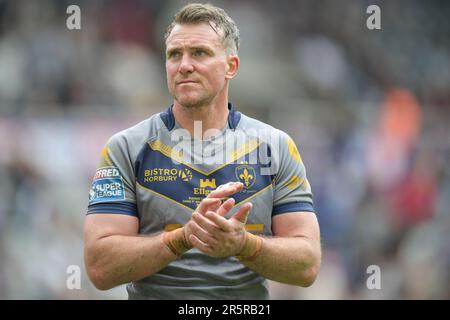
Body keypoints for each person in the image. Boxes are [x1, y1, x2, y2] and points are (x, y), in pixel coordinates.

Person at [84, 3, 321, 299]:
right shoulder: (125, 148)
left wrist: (244, 245)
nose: (184, 65)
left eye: (199, 53)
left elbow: (307, 265)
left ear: (231, 66)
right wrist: (181, 239)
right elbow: (100, 269)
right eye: (174, 55)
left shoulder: (276, 146)